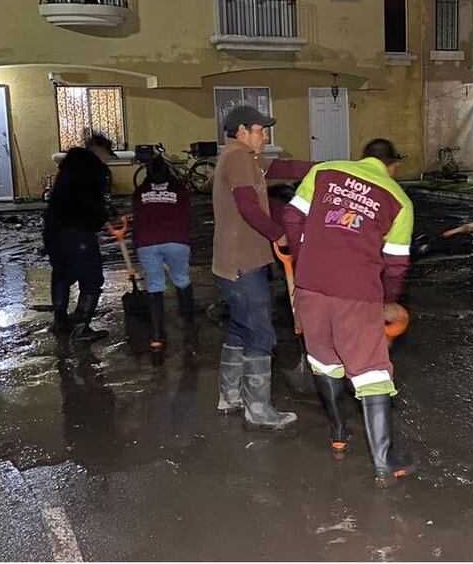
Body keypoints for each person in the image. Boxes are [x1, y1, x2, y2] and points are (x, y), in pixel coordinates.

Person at [282, 138, 415, 487]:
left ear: (363, 158)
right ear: (392, 165)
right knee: (371, 373)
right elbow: (397, 265)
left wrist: (302, 254)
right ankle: (385, 462)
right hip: (356, 294)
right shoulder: (399, 199)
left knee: (324, 361)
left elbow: (291, 215)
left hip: (310, 287)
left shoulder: (324, 171)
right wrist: (389, 300)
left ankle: (339, 434)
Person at [211, 105, 313, 428]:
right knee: (260, 332)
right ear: (242, 131)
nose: (265, 135)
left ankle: (230, 396)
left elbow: (285, 167)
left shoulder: (242, 157)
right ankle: (258, 410)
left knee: (240, 329)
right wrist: (278, 234)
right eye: (260, 129)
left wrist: (327, 167)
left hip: (230, 264)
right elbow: (248, 207)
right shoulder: (239, 158)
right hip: (243, 263)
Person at [43, 137, 116, 342]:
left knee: (62, 273)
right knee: (92, 279)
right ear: (100, 151)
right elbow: (94, 204)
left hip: (53, 230)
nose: (107, 161)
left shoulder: (69, 167)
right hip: (78, 233)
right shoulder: (96, 171)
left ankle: (60, 322)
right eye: (108, 156)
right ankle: (81, 327)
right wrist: (103, 219)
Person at [132, 155, 194, 351]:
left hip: (147, 242)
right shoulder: (179, 190)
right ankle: (189, 325)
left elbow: (137, 214)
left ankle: (157, 336)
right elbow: (186, 212)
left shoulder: (140, 191)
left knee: (155, 285)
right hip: (177, 239)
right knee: (181, 279)